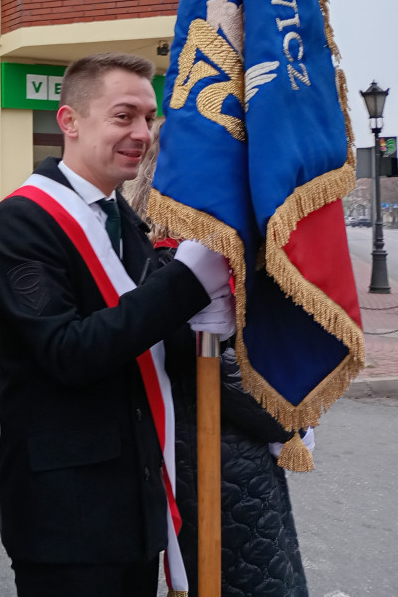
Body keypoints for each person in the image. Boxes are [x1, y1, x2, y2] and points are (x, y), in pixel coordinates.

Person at [0, 52, 235, 597]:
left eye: (148, 117)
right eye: (124, 116)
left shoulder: (128, 223)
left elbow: (150, 347)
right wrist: (187, 282)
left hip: (136, 509)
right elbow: (69, 352)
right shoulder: (23, 221)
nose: (142, 133)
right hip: (66, 520)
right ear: (69, 121)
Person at [123, 121, 310, 597]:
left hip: (227, 452)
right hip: (209, 449)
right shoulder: (168, 258)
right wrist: (284, 416)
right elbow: (209, 362)